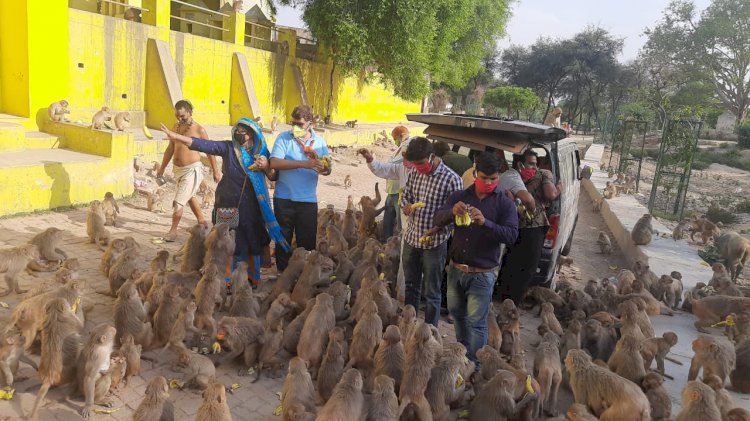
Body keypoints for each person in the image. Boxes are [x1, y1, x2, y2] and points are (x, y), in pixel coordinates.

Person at [160, 118, 290, 285]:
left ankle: (250, 278)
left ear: (251, 135)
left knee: (251, 237)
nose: (238, 134)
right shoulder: (229, 148)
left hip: (252, 206)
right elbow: (203, 144)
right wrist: (176, 136)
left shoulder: (261, 154)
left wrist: (265, 166)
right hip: (227, 202)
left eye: (242, 132)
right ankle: (226, 278)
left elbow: (273, 176)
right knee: (226, 239)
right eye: (237, 130)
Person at [434, 152, 518, 362]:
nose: (488, 182)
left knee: (477, 323)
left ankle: (475, 366)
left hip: (483, 274)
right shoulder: (460, 197)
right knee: (457, 316)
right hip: (456, 270)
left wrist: (486, 223)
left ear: (499, 177)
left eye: (493, 179)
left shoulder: (504, 204)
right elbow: (438, 218)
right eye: (484, 178)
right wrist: (451, 212)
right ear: (474, 173)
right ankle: (463, 357)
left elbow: (511, 235)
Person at [400, 137, 462, 327]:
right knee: (411, 285)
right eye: (415, 164)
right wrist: (406, 206)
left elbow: (456, 218)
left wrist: (438, 228)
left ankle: (430, 333)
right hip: (412, 238)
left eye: (421, 163)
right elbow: (406, 196)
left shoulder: (452, 179)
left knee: (432, 292)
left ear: (432, 156)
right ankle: (408, 325)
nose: (418, 167)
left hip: (434, 244)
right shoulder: (414, 173)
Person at [270, 105, 331, 271]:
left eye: (300, 124)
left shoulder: (319, 142)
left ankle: (306, 274)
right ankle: (282, 274)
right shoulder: (284, 138)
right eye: (293, 123)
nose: (296, 127)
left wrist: (323, 168)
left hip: (307, 199)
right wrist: (304, 164)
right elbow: (274, 162)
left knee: (307, 241)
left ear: (310, 123)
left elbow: (328, 169)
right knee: (283, 241)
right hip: (284, 197)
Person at [497, 149, 562, 303]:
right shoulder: (535, 175)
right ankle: (513, 300)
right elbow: (550, 195)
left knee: (513, 261)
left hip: (516, 225)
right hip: (530, 225)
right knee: (525, 266)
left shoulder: (511, 175)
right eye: (531, 164)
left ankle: (505, 296)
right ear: (520, 164)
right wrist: (560, 188)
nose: (534, 168)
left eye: (536, 164)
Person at [157, 100, 221, 242]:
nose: (179, 119)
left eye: (182, 116)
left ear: (190, 113)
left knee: (179, 201)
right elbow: (170, 149)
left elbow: (210, 151)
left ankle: (173, 231)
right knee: (189, 196)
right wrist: (162, 168)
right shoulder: (176, 126)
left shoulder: (199, 129)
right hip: (178, 170)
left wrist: (216, 170)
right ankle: (202, 222)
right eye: (177, 116)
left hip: (193, 170)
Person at [358, 125, 410, 240]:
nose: (394, 141)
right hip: (391, 190)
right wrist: (370, 159)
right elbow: (387, 169)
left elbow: (391, 167)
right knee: (387, 221)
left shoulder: (408, 146)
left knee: (402, 223)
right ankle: (386, 242)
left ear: (400, 136)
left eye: (394, 138)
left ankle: (397, 243)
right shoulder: (399, 149)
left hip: (400, 193)